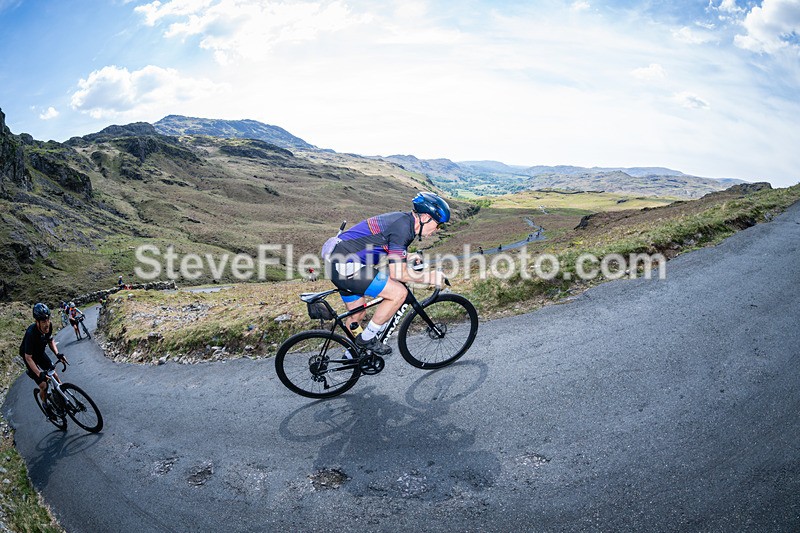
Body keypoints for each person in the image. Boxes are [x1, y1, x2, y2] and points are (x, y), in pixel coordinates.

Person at [322, 192, 450, 356]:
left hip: (337, 264)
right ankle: (367, 339)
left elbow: (382, 244)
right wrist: (430, 277)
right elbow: (398, 274)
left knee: (357, 315)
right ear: (425, 217)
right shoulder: (403, 228)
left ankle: (352, 357)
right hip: (347, 267)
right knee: (399, 293)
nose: (438, 230)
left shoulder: (402, 221)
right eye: (438, 225)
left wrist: (407, 256)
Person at [20, 303, 68, 418]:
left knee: (54, 375)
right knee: (43, 385)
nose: (46, 324)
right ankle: (45, 405)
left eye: (47, 320)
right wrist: (39, 373)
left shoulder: (49, 325)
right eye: (43, 322)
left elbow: (50, 340)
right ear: (37, 322)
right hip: (30, 358)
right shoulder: (31, 334)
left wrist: (57, 354)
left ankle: (61, 397)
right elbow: (28, 357)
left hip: (40, 354)